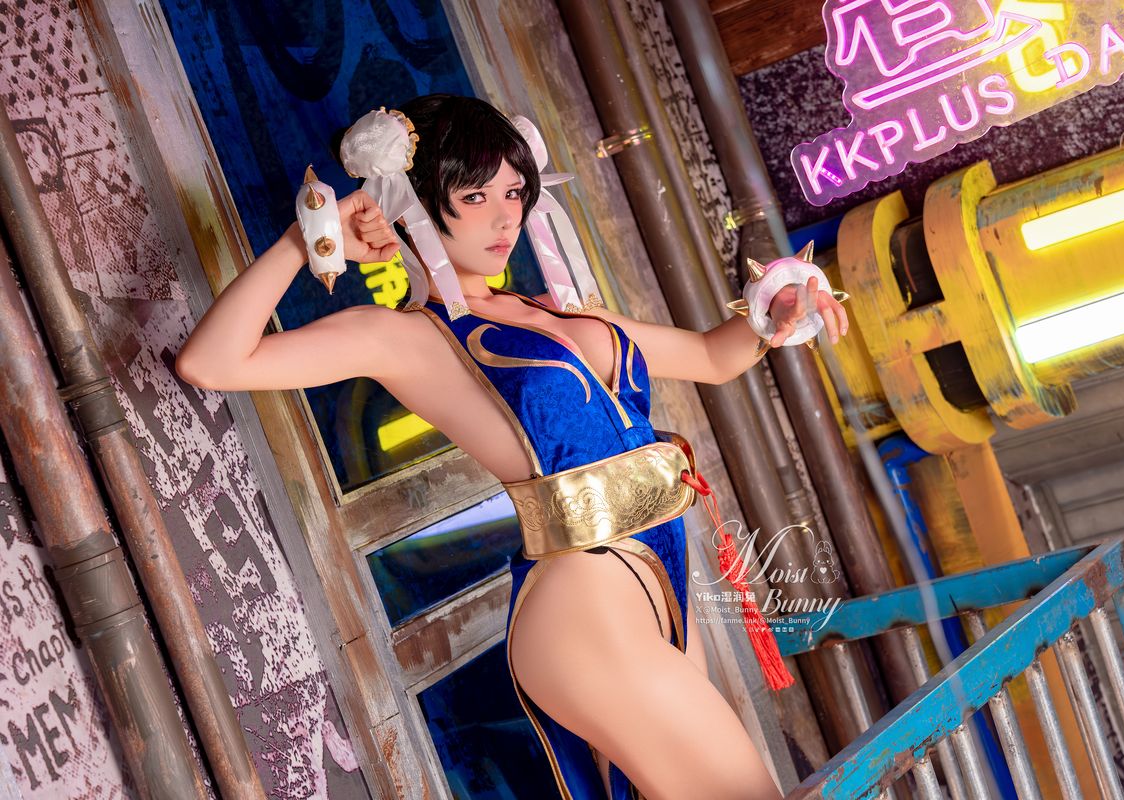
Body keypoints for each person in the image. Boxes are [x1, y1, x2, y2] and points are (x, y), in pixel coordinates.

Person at [176, 94, 848, 800]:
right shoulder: (406, 337)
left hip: (661, 574)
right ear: (412, 202)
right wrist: (308, 237)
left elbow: (712, 357)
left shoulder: (553, 307)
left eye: (514, 191)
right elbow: (211, 363)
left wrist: (783, 305)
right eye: (475, 196)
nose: (506, 217)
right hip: (583, 605)